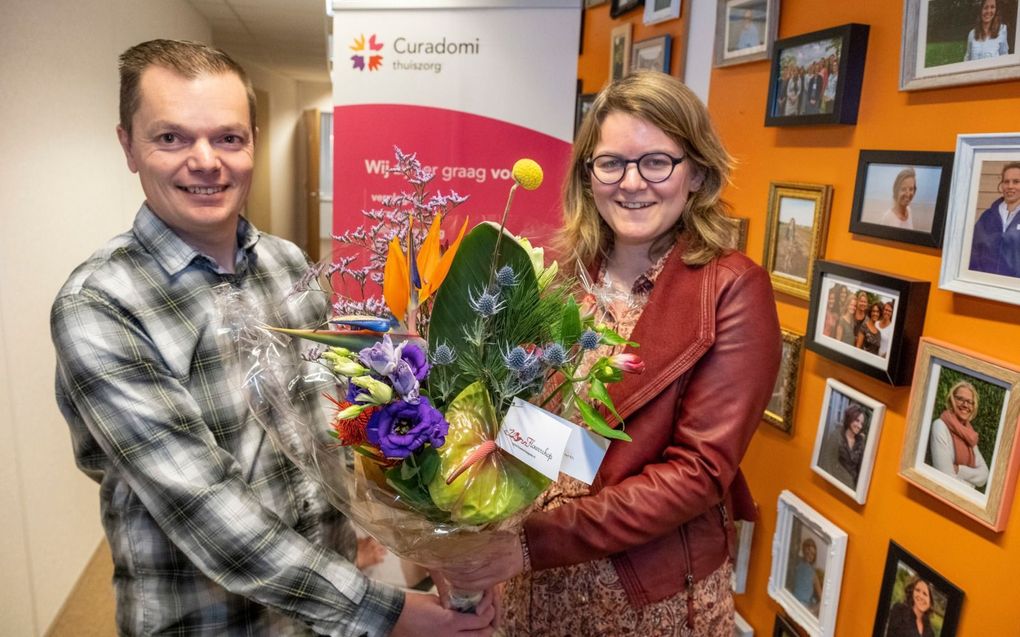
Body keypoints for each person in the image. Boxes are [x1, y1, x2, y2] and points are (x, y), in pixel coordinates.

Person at [49, 39, 495, 637]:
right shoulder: (100, 307)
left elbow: (333, 431)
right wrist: (385, 612)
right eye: (171, 137)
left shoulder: (289, 267)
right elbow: (209, 512)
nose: (205, 161)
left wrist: (427, 535)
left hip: (323, 615)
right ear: (128, 145)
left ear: (253, 142)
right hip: (208, 622)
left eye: (228, 138)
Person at [442, 71, 782, 636]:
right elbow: (544, 433)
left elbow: (698, 474)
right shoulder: (559, 277)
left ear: (695, 172)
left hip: (643, 603)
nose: (632, 183)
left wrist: (530, 544)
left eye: (656, 162)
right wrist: (466, 505)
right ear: (588, 174)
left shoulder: (731, 288)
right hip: (526, 586)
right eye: (612, 163)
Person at [929, 380, 990, 489]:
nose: (965, 405)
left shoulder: (970, 435)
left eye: (970, 402)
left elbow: (984, 475)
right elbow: (945, 477)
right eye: (960, 399)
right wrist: (971, 483)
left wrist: (959, 470)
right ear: (952, 400)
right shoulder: (940, 426)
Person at [969, 162, 1020, 277]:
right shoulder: (987, 216)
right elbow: (974, 251)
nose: (1010, 186)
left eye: (1016, 182)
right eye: (1006, 182)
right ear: (1001, 185)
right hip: (984, 284)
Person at [790, 538, 822, 615]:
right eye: (808, 551)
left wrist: (813, 610)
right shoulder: (797, 562)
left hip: (803, 607)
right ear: (804, 550)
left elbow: (822, 599)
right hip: (792, 599)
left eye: (813, 554)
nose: (810, 555)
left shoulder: (813, 574)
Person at [836, 404, 866, 486]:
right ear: (849, 418)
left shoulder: (860, 442)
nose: (859, 426)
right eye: (857, 420)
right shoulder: (836, 436)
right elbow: (827, 461)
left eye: (862, 423)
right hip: (836, 481)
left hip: (851, 486)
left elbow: (860, 469)